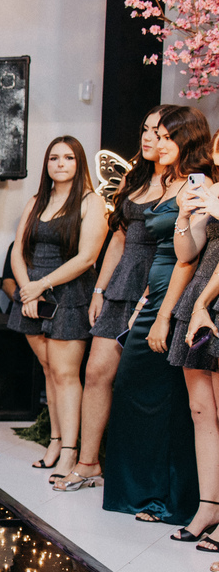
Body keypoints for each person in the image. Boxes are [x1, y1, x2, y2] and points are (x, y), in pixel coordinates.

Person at [103, 105, 206, 526]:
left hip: (176, 298)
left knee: (163, 401)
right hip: (155, 294)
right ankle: (140, 492)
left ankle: (166, 499)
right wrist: (144, 301)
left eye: (165, 136)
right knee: (134, 393)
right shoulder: (167, 181)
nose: (156, 143)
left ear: (186, 139)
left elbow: (187, 260)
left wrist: (163, 315)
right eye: (155, 135)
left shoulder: (197, 184)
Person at [64, 106, 175, 492]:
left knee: (139, 382)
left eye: (158, 132)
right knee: (96, 372)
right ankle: (88, 462)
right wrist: (100, 289)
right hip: (121, 283)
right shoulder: (135, 176)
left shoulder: (185, 184)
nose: (148, 137)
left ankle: (139, 473)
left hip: (157, 285)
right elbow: (119, 237)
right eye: (145, 129)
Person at [7, 136, 107, 485]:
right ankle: (53, 440)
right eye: (53, 158)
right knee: (49, 370)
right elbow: (18, 250)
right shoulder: (37, 201)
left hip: (69, 293)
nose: (60, 164)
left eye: (68, 158)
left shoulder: (91, 202)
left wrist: (42, 285)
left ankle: (70, 451)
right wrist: (27, 290)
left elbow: (87, 257)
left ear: (79, 163)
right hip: (33, 295)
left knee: (66, 374)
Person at [170, 153, 219, 551]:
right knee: (201, 411)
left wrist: (204, 303)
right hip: (202, 292)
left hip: (211, 300)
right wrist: (184, 217)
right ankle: (208, 507)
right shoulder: (212, 190)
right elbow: (187, 253)